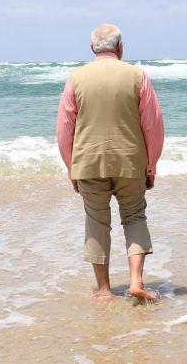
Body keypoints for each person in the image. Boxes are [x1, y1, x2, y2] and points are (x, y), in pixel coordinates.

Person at [57, 23, 164, 301]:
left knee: (96, 221)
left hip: (89, 161)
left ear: (93, 48)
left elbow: (65, 127)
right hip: (130, 161)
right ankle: (136, 281)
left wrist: (72, 168)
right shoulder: (137, 75)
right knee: (134, 216)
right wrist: (151, 165)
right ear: (120, 47)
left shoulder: (76, 78)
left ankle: (104, 290)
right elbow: (152, 125)